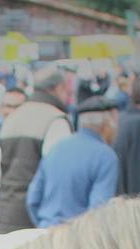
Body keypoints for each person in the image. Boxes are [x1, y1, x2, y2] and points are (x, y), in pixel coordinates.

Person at [0, 66, 75, 233]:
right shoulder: (55, 120)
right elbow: (61, 177)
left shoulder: (12, 118)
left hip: (7, 216)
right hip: (39, 219)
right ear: (58, 88)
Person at [25, 93, 120, 230]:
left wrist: (44, 225)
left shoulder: (57, 148)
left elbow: (33, 199)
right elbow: (99, 211)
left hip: (46, 234)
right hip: (76, 239)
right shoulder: (105, 156)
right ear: (106, 125)